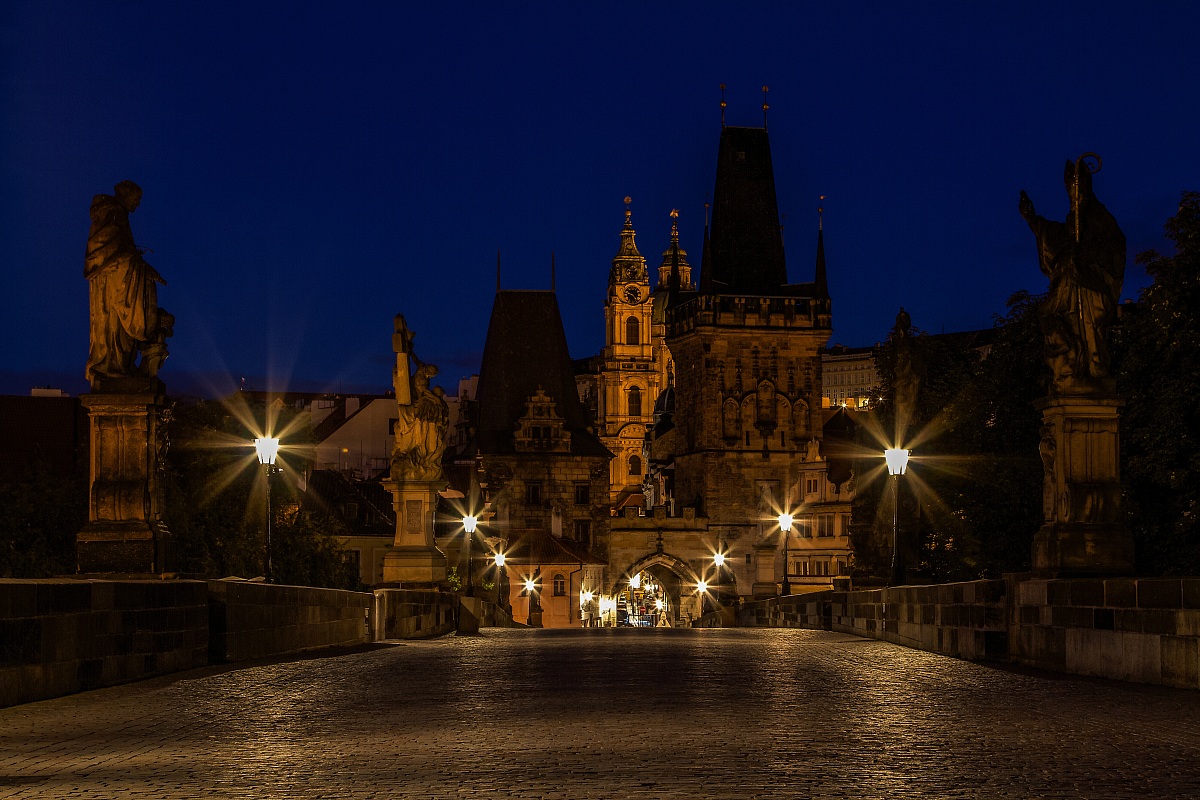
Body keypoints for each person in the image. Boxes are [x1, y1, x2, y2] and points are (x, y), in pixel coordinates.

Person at [1019, 159, 1125, 394]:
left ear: (1086, 190)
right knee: (1063, 323)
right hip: (1069, 289)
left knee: (1093, 325)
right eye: (1071, 194)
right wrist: (1032, 219)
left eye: (1077, 193)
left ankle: (1095, 366)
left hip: (1091, 286)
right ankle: (1073, 369)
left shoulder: (1100, 218)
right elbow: (1054, 237)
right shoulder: (1071, 223)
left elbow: (1115, 249)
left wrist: (1087, 253)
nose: (1074, 199)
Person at [84, 180, 170, 388]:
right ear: (126, 195)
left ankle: (121, 366)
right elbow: (104, 249)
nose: (138, 204)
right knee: (113, 329)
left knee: (121, 335)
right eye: (137, 199)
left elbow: (121, 250)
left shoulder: (118, 215)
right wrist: (137, 264)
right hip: (110, 285)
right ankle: (111, 368)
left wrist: (138, 264)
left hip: (120, 280)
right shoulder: (111, 213)